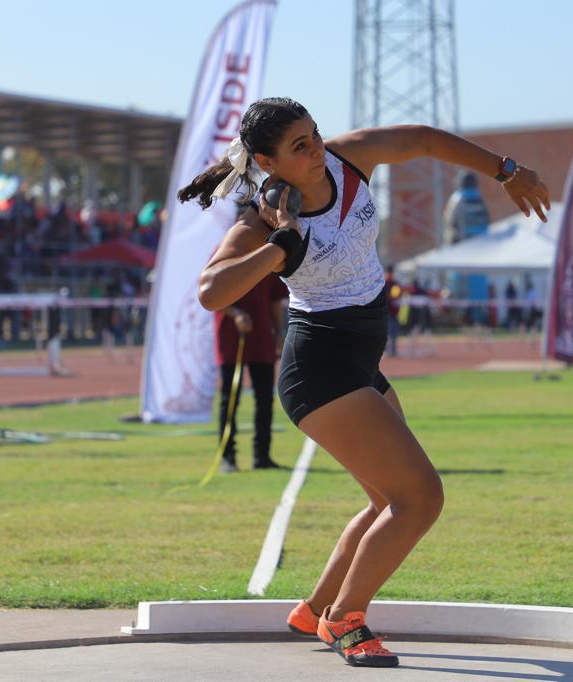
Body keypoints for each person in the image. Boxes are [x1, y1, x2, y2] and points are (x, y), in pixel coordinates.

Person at [182, 97, 549, 668]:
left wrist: (506, 170)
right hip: (320, 369)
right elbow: (210, 291)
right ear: (266, 160)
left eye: (315, 135)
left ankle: (316, 608)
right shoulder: (262, 219)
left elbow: (424, 137)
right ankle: (345, 620)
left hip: (359, 363)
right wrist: (278, 248)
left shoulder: (348, 161)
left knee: (387, 499)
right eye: (299, 146)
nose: (316, 149)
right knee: (420, 498)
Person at [214, 273, 288, 472]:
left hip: (262, 337)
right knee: (229, 400)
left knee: (265, 399)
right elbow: (209, 296)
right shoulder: (223, 252)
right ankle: (228, 457)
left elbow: (275, 298)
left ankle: (262, 456)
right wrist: (235, 313)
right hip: (231, 338)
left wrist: (280, 332)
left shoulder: (267, 253)